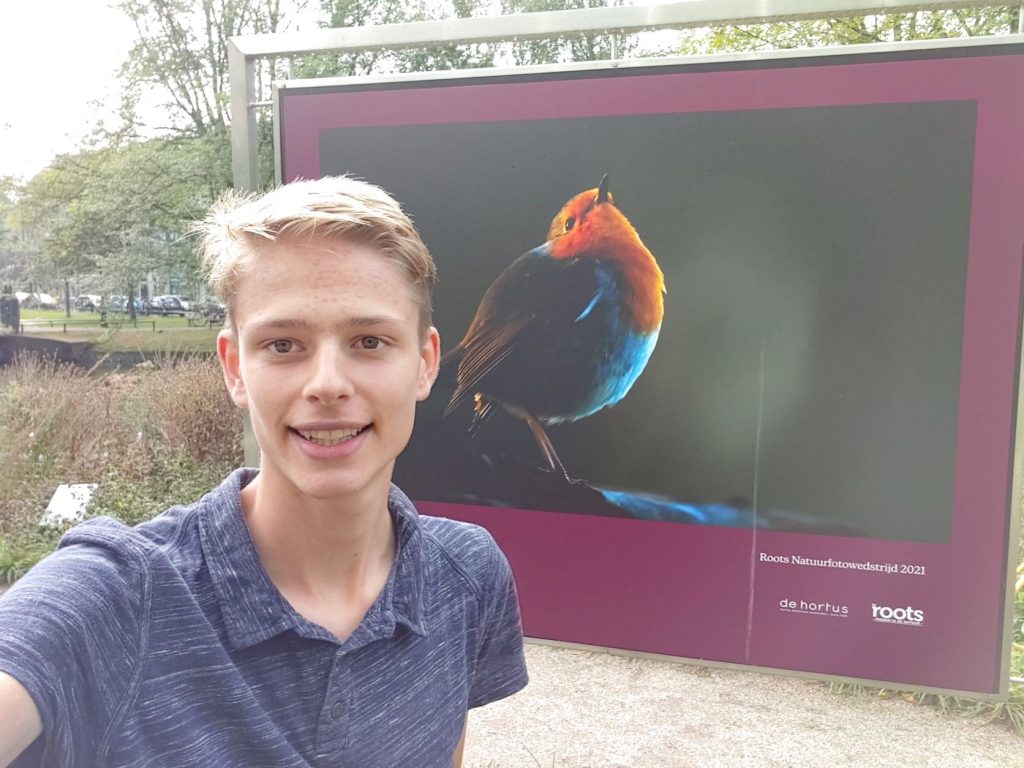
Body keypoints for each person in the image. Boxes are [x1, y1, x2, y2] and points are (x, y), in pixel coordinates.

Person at [0, 176, 528, 767]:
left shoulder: (466, 575)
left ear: (426, 364)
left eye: (370, 341)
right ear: (233, 368)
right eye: (282, 345)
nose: (327, 384)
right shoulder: (117, 598)